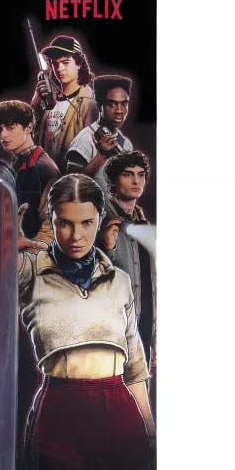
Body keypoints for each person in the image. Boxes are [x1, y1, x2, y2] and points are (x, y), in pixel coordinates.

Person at [18, 174, 155, 470]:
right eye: (64, 223)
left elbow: (135, 366)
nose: (76, 235)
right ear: (51, 221)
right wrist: (2, 242)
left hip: (119, 408)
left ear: (100, 219)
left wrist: (151, 432)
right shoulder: (30, 272)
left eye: (87, 223)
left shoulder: (119, 281)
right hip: (59, 409)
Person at [99, 150, 156, 368]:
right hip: (113, 327)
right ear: (113, 180)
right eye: (128, 174)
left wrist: (155, 333)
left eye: (141, 175)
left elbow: (152, 281)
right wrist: (108, 248)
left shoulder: (142, 221)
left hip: (144, 324)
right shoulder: (100, 218)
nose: (136, 181)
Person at [0, 98, 59, 246]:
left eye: (10, 128)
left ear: (28, 128)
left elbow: (32, 225)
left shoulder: (36, 168)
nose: (3, 135)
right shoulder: (23, 163)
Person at [31, 35, 98, 164]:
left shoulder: (89, 103)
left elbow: (92, 150)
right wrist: (36, 102)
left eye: (65, 62)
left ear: (79, 63)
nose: (59, 68)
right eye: (55, 64)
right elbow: (32, 137)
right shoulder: (49, 100)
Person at [64, 75, 135, 195]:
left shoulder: (126, 143)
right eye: (112, 104)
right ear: (99, 104)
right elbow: (70, 186)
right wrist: (101, 156)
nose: (119, 110)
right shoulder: (84, 140)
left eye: (124, 103)